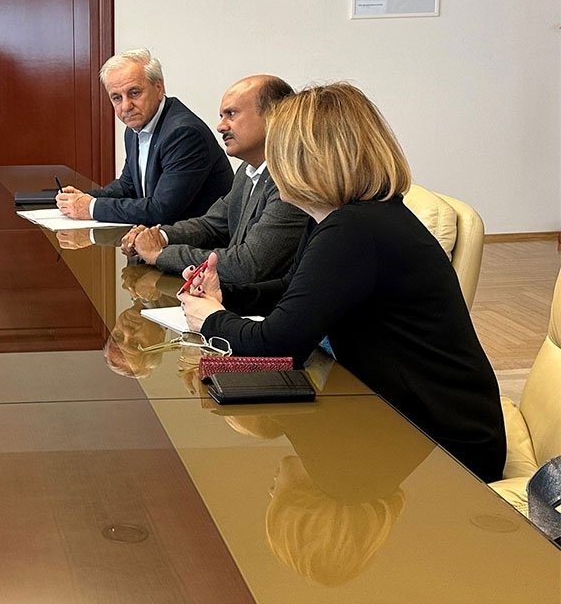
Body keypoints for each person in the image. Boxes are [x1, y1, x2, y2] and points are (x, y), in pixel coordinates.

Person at [177, 82, 505, 482]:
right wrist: (226, 296)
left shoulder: (354, 231)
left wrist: (211, 319)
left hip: (442, 443)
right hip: (397, 415)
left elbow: (277, 344)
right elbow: (294, 293)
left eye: (278, 149)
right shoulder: (341, 219)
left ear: (306, 158)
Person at [120, 75, 307, 284]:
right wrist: (158, 236)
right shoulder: (248, 170)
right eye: (221, 116)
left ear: (273, 116)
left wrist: (160, 255)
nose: (220, 126)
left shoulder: (292, 180)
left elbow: (248, 265)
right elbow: (212, 225)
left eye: (231, 114)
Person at [56, 49, 232, 226]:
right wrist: (84, 198)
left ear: (159, 87)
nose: (126, 106)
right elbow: (128, 186)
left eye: (134, 93)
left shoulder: (184, 133)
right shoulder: (135, 129)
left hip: (199, 240)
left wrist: (91, 207)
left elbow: (161, 211)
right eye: (117, 98)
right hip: (160, 236)